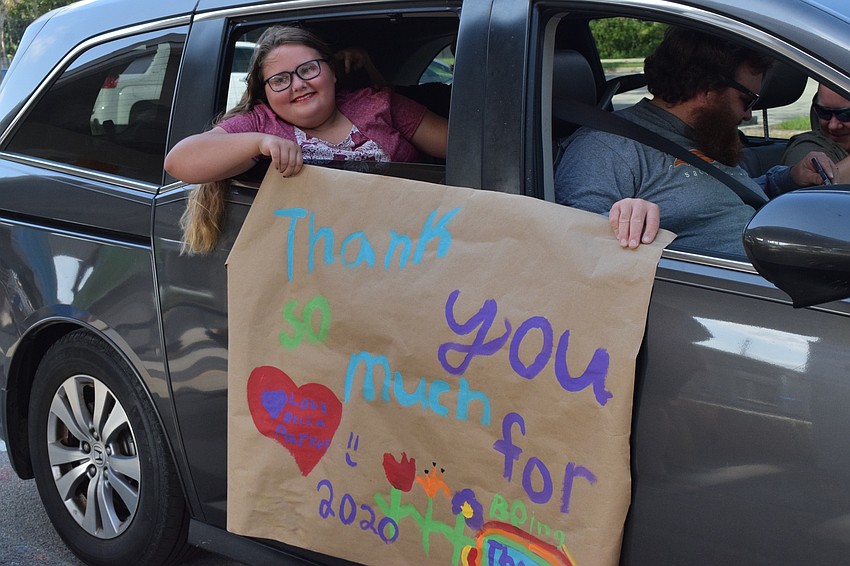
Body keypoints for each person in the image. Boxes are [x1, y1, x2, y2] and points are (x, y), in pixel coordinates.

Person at [165, 25, 449, 254]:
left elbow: (470, 149)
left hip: (412, 249)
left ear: (332, 72)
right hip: (317, 271)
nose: (298, 84)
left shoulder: (380, 104)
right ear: (265, 92)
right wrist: (260, 143)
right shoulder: (262, 123)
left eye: (309, 69)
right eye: (280, 80)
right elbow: (179, 162)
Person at [554, 27, 836, 256]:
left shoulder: (705, 135)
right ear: (706, 89)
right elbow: (576, 248)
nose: (748, 115)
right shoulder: (605, 148)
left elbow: (719, 200)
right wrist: (620, 221)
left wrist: (788, 180)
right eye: (746, 101)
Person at [781, 84, 850, 183]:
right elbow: (819, 193)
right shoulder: (806, 147)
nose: (833, 125)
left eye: (845, 115)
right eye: (824, 112)